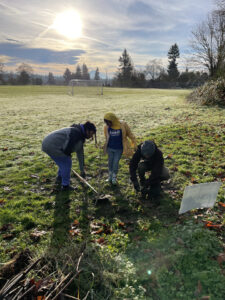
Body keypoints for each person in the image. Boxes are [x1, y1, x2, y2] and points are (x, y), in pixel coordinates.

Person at [42, 121, 96, 191]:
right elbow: (67, 149)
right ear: (87, 130)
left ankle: (60, 177)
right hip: (51, 145)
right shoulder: (76, 134)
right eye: (91, 134)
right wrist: (68, 156)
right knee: (67, 163)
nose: (91, 137)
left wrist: (82, 171)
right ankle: (65, 186)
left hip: (47, 143)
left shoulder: (78, 132)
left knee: (63, 162)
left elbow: (80, 154)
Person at [129, 140, 170, 204]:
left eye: (148, 155)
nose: (146, 156)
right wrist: (134, 180)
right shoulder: (139, 150)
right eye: (145, 154)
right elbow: (132, 165)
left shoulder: (159, 154)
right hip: (146, 164)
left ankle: (156, 183)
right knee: (140, 166)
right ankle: (142, 180)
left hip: (156, 166)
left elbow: (156, 172)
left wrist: (147, 183)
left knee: (165, 173)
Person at [103, 112, 136, 185]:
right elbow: (107, 137)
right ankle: (110, 176)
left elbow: (129, 133)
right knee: (110, 162)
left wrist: (133, 140)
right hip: (110, 148)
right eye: (106, 122)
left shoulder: (122, 124)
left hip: (119, 148)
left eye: (108, 122)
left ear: (112, 120)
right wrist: (105, 147)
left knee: (115, 163)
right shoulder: (106, 127)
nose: (107, 124)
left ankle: (114, 176)